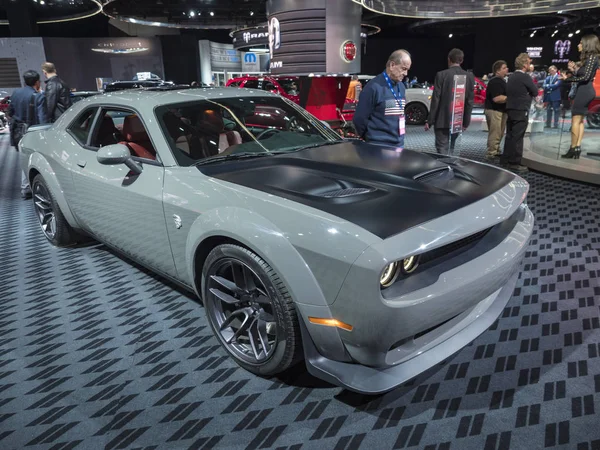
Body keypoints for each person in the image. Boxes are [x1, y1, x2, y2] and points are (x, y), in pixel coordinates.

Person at [353, 49, 412, 147]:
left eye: (407, 70)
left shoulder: (401, 87)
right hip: (378, 146)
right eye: (403, 69)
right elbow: (359, 119)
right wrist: (370, 137)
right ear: (392, 65)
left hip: (399, 144)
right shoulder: (373, 87)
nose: (406, 74)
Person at [425, 48, 475, 155]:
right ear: (461, 60)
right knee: (453, 149)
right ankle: (451, 168)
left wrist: (430, 121)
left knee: (442, 150)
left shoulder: (441, 75)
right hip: (458, 120)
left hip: (442, 121)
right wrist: (466, 122)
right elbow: (470, 102)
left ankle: (444, 169)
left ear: (449, 59)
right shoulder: (470, 77)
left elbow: (436, 100)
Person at [7, 70, 48, 198]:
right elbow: (42, 120)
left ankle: (25, 188)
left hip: (17, 131)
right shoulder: (38, 96)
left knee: (24, 157)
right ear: (37, 82)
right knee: (35, 159)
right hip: (31, 132)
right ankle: (30, 187)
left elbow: (10, 112)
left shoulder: (16, 93)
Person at [559, 34, 600, 159]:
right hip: (585, 90)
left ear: (588, 44)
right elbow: (584, 75)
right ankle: (576, 147)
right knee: (580, 120)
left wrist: (568, 78)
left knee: (575, 120)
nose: (578, 45)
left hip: (584, 91)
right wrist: (574, 71)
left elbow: (586, 77)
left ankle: (573, 148)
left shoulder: (592, 58)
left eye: (581, 43)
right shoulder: (590, 59)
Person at [501, 53, 538, 171]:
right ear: (525, 64)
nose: (530, 64)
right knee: (518, 136)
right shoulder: (525, 77)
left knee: (510, 135)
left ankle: (505, 159)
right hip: (521, 110)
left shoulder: (511, 77)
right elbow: (535, 91)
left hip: (510, 108)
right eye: (529, 62)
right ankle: (515, 162)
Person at [484, 60, 509, 160]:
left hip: (500, 111)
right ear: (497, 71)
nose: (507, 69)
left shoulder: (502, 81)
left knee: (499, 132)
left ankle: (496, 149)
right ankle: (491, 152)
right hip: (494, 110)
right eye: (504, 68)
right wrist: (511, 98)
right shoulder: (495, 81)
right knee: (495, 132)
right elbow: (497, 98)